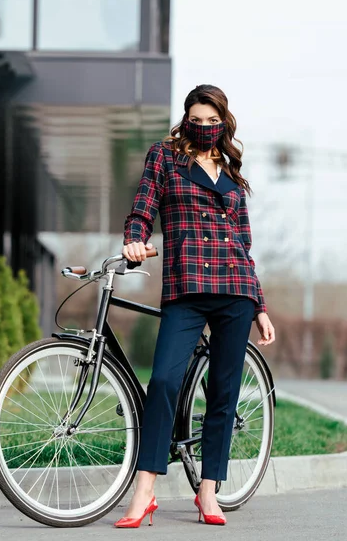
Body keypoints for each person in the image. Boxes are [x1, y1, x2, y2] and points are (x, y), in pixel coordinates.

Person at [115, 84, 276, 528]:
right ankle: (144, 490)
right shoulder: (164, 157)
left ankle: (209, 491)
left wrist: (259, 304)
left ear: (223, 123)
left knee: (223, 393)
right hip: (186, 288)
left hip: (235, 291)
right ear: (185, 119)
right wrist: (134, 239)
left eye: (212, 121)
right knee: (164, 380)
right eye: (197, 119)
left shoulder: (231, 171)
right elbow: (143, 208)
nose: (204, 127)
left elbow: (244, 245)